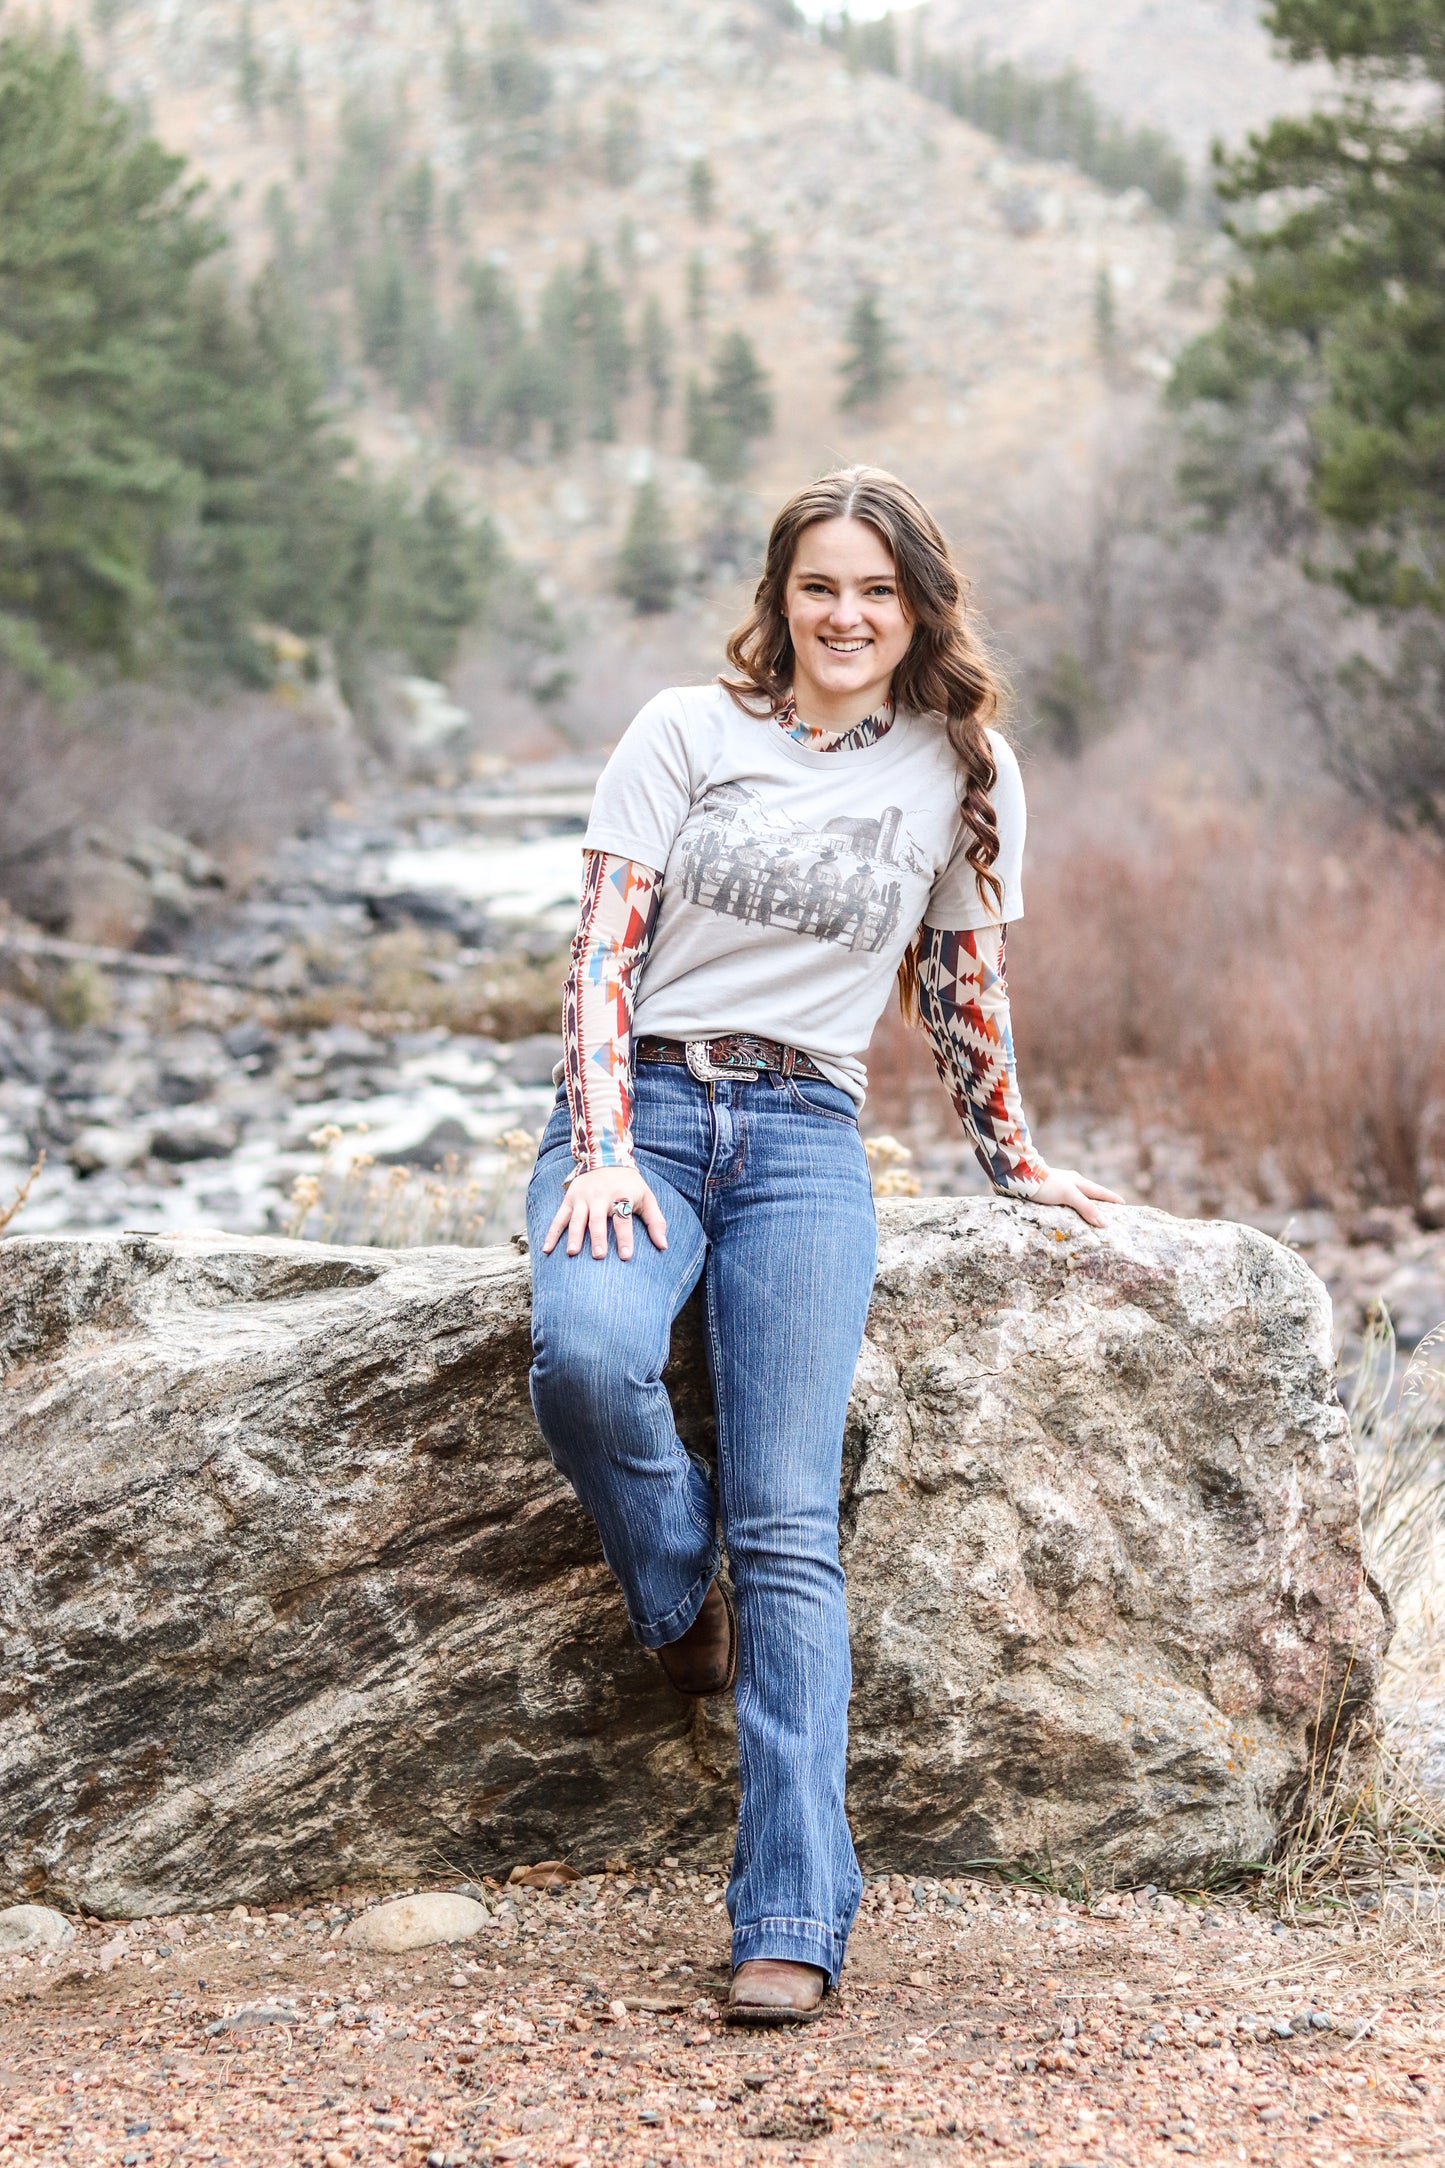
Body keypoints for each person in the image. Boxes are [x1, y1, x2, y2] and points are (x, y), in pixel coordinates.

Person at [525, 466, 1121, 2028]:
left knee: (790, 1519)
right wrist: (594, 1148)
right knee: (587, 1354)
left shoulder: (961, 764)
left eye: (875, 589)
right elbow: (597, 951)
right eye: (816, 587)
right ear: (777, 599)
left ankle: (790, 1910)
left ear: (917, 603)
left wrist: (1016, 1160)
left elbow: (960, 985)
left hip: (802, 1141)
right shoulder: (682, 732)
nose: (844, 615)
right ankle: (673, 1606)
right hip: (643, 1110)